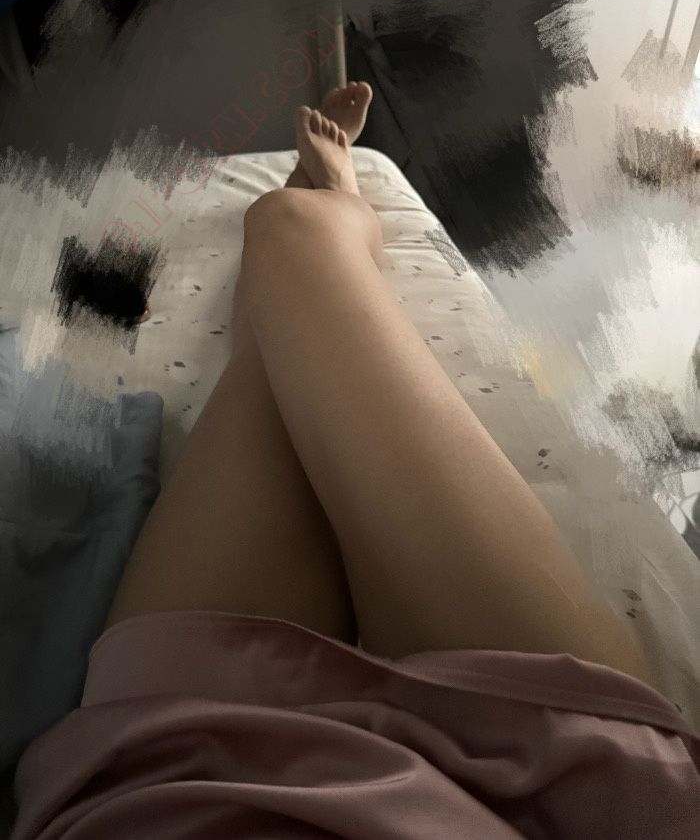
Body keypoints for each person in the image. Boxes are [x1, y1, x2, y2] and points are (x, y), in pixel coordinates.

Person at [11, 84, 700, 839]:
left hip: (179, 781)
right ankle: (332, 202)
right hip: (564, 802)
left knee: (278, 295)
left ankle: (315, 213)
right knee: (288, 234)